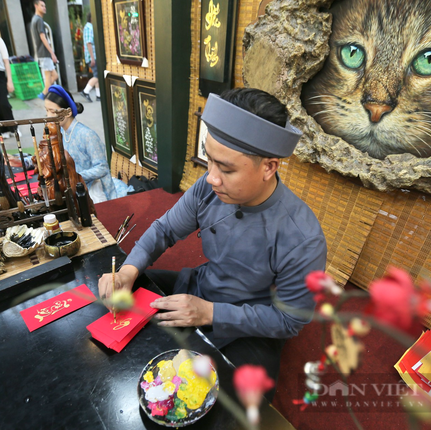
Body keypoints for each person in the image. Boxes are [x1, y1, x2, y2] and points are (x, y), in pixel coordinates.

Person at [97, 88, 328, 392]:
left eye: (227, 169)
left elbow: (289, 320)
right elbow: (165, 230)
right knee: (126, 294)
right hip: (199, 285)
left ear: (269, 167)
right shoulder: (208, 189)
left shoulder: (303, 236)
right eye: (210, 160)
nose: (211, 177)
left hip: (249, 321)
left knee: (235, 398)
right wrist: (127, 271)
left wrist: (209, 312)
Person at [10, 85, 117, 203]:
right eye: (47, 111)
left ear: (68, 112)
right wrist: (23, 162)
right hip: (71, 188)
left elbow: (102, 168)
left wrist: (73, 176)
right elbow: (48, 156)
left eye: (52, 111)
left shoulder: (86, 135)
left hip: (93, 191)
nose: (48, 116)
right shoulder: (58, 132)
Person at [31, 0, 58, 100]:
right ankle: (44, 94)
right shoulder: (38, 20)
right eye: (42, 6)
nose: (44, 8)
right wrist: (52, 53)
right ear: (36, 6)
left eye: (45, 6)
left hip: (43, 54)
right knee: (48, 77)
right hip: (44, 54)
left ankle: (46, 93)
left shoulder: (36, 20)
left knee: (54, 75)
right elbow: (43, 37)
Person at [79, 12, 98, 103]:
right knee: (98, 75)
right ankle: (85, 91)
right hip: (93, 55)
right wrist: (92, 58)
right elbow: (89, 43)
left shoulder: (89, 27)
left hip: (93, 55)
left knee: (96, 75)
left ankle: (98, 95)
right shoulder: (89, 27)